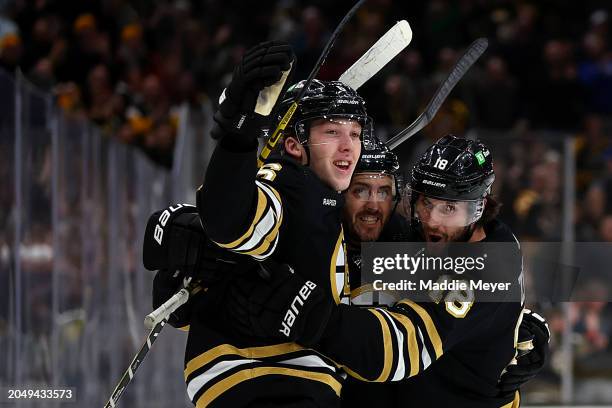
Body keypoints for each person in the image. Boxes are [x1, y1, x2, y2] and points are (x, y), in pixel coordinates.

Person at [144, 136, 549, 407]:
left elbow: (396, 349)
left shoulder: (480, 261)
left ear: (482, 208)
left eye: (452, 209)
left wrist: (307, 313)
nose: (434, 221)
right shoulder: (393, 234)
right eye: (426, 203)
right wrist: (195, 267)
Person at [148, 39, 378, 407]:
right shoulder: (288, 187)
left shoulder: (324, 201)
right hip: (269, 380)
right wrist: (237, 136)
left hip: (265, 382)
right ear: (292, 146)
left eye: (355, 133)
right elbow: (233, 222)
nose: (350, 146)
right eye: (332, 132)